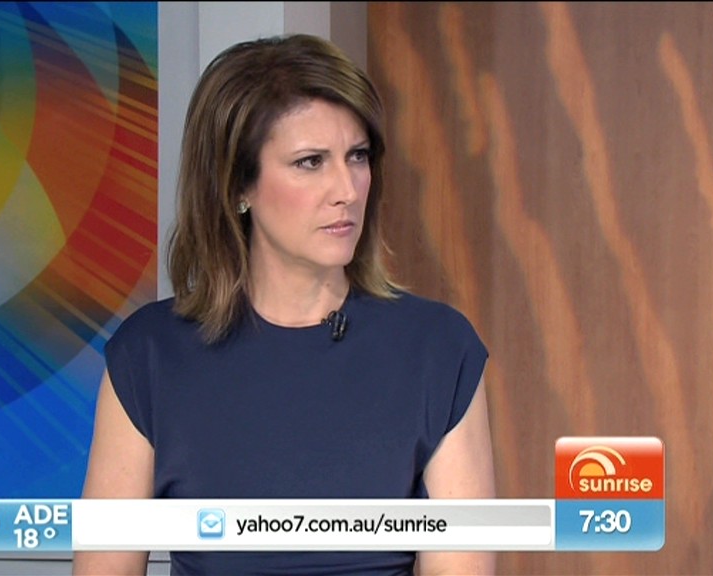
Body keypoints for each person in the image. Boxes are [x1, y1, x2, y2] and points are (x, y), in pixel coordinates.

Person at [73, 33, 495, 576]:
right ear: (237, 187)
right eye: (310, 162)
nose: (347, 189)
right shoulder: (149, 355)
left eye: (358, 156)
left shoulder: (439, 350)